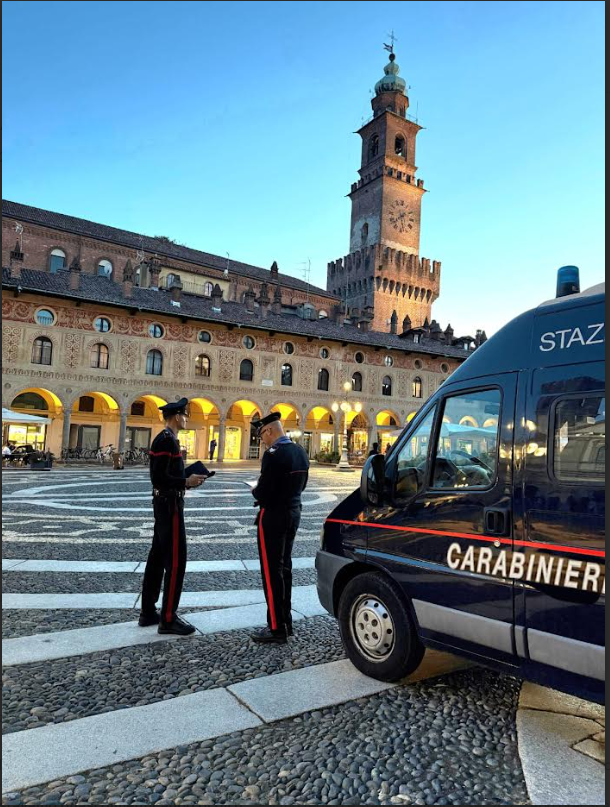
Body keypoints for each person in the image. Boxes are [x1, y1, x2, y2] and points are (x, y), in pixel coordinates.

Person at [139, 398, 206, 635]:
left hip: (165, 503)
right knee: (176, 561)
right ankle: (168, 619)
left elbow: (166, 474)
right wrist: (185, 481)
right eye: (185, 415)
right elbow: (158, 478)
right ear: (177, 416)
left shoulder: (168, 439)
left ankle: (148, 612)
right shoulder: (166, 440)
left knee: (157, 559)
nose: (186, 419)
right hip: (169, 506)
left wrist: (187, 478)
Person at [250, 412, 310, 644]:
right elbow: (302, 486)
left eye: (262, 435)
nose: (262, 441)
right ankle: (286, 622)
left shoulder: (273, 454)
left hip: (273, 515)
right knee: (285, 568)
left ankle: (276, 628)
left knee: (271, 572)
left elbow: (263, 491)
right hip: (294, 512)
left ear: (269, 431)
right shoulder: (300, 451)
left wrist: (255, 490)